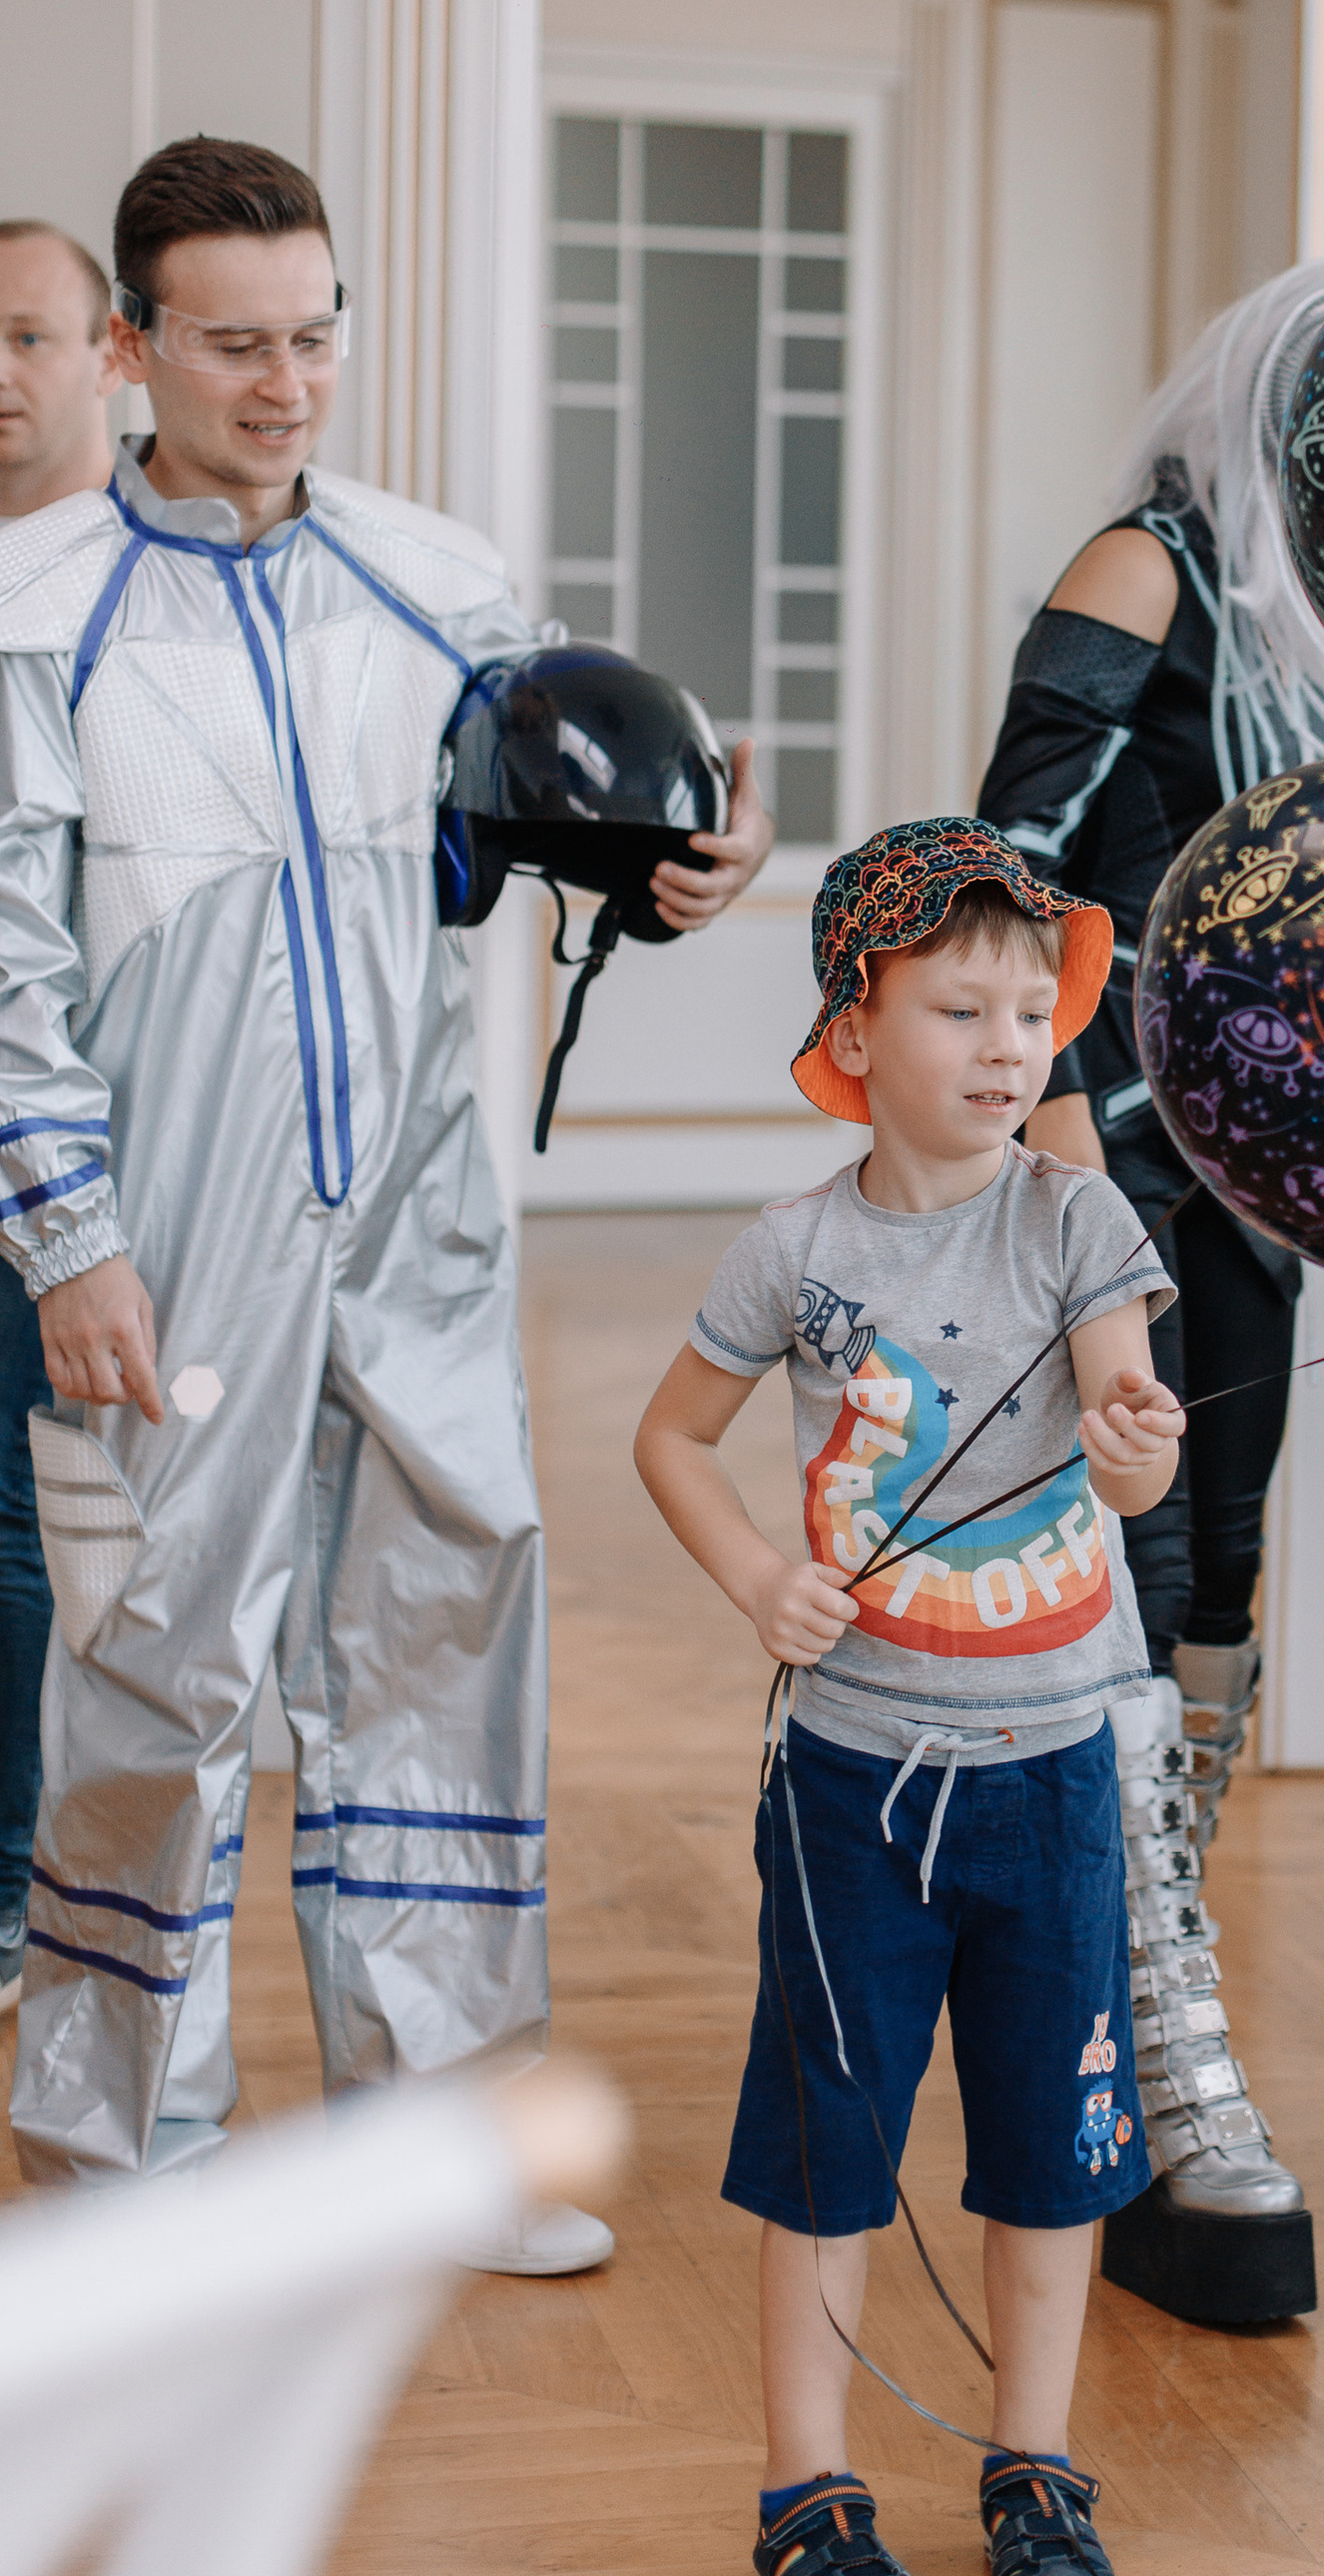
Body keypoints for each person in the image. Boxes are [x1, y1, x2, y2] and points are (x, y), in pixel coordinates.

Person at [1, 138, 772, 2251]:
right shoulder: (39, 609)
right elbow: (8, 962)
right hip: (172, 1226)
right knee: (161, 1662)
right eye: (233, 344)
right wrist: (70, 1240)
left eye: (315, 336)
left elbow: (549, 805)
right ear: (134, 347)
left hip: (417, 1206)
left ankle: (436, 2150)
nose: (285, 384)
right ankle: (121, 2169)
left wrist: (689, 863)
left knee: (447, 1625)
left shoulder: (439, 579)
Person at [633, 820, 1182, 2576]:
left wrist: (1136, 1446)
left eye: (1033, 1012)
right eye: (962, 1010)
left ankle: (1037, 2470)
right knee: (828, 2151)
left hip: (1053, 1780)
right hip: (850, 1786)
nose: (1009, 1046)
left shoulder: (1080, 1218)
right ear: (855, 1033)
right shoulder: (792, 1248)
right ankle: (806, 2491)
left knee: (1055, 2150)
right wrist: (754, 1579)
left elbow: (1128, 1419)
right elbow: (671, 1438)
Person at [975, 260, 1324, 2308]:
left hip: (1255, 1178)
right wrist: (1055, 1153)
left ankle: (1143, 2003)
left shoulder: (1316, 627)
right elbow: (1011, 862)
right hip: (1112, 1159)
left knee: (1219, 1576)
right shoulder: (1143, 567)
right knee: (1124, 1583)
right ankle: (1133, 2040)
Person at [0, 222, 121, 2017]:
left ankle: (30, 1888)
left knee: (31, 1524)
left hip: (87, 1132)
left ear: (114, 355)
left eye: (30, 334)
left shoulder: (153, 583)